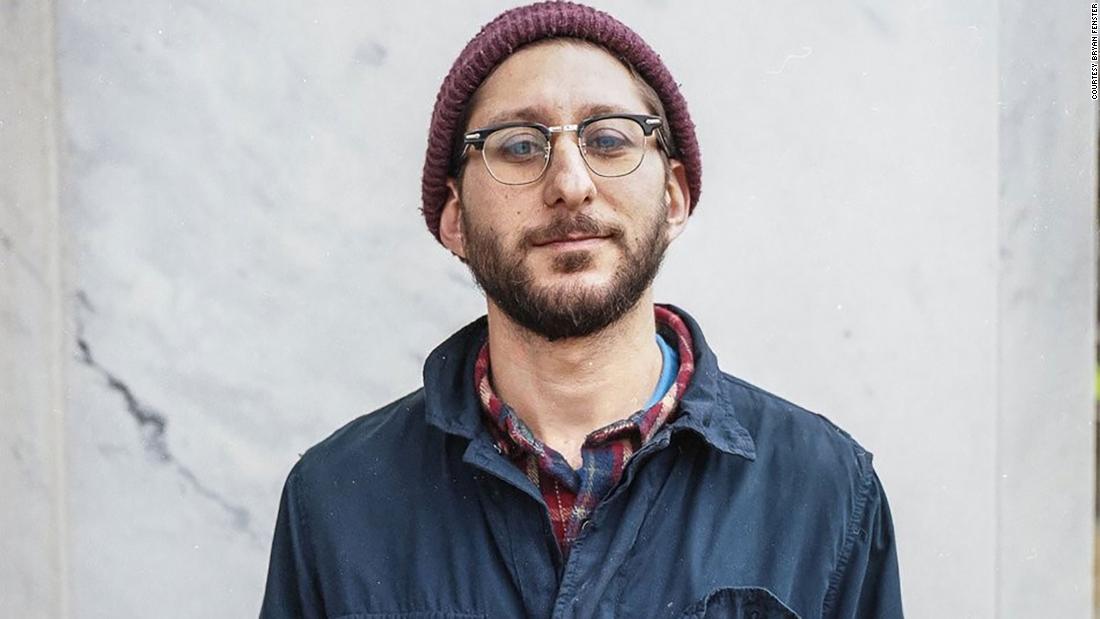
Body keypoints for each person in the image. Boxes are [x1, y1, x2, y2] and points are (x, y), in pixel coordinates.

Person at [260, 2, 902, 617]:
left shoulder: (827, 490)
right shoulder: (335, 498)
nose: (570, 184)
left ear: (674, 196)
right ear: (454, 219)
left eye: (609, 139)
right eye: (518, 146)